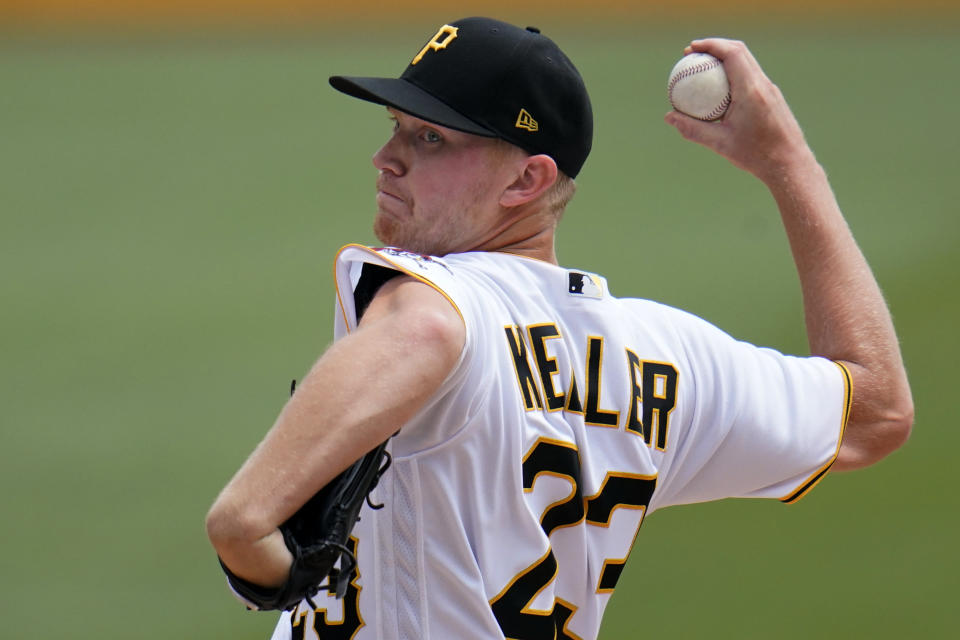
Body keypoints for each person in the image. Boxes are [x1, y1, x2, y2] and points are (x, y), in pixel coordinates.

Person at [205, 16, 913, 640]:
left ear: (527, 181)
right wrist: (789, 163)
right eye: (395, 128)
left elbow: (243, 519)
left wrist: (269, 572)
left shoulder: (442, 300)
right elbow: (875, 410)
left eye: (429, 137)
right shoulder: (666, 355)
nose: (387, 159)